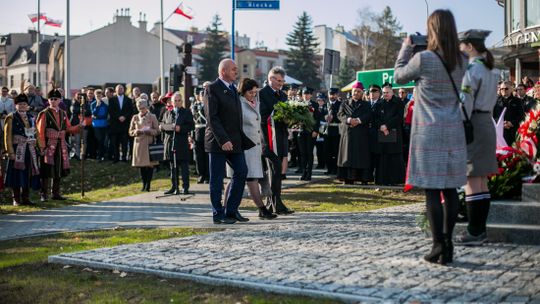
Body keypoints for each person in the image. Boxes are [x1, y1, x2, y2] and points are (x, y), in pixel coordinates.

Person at [394, 9, 467, 265]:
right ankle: (448, 244)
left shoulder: (424, 59)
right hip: (454, 130)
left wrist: (406, 47)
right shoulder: (462, 59)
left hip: (429, 132)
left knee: (433, 191)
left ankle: (437, 245)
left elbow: (398, 75)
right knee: (451, 188)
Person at [456, 29, 499, 246]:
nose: (460, 50)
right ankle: (480, 230)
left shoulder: (472, 69)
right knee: (481, 180)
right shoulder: (492, 69)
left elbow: (465, 103)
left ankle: (474, 231)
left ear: (470, 46)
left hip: (473, 123)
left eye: (461, 45)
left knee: (471, 178)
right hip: (487, 123)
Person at [205, 59, 255, 224]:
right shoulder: (212, 89)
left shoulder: (233, 89)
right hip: (218, 142)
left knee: (241, 171)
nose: (236, 72)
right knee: (217, 179)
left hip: (235, 141)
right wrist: (223, 139)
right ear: (223, 71)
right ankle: (217, 213)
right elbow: (212, 118)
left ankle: (231, 211)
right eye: (233, 69)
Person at [225, 78, 276, 219]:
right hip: (243, 146)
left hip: (255, 147)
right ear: (243, 91)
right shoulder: (239, 104)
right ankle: (261, 209)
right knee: (243, 178)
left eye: (255, 92)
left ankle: (260, 209)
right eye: (250, 92)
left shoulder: (256, 102)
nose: (253, 95)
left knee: (249, 177)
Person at [259, 67, 294, 214]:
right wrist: (277, 113)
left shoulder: (283, 96)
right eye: (278, 80)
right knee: (274, 170)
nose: (281, 84)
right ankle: (275, 203)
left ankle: (274, 202)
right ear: (270, 79)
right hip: (268, 138)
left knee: (277, 171)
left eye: (282, 81)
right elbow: (262, 114)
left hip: (280, 138)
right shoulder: (262, 94)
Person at [37, 88, 82, 202]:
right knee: (46, 170)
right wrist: (42, 146)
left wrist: (79, 126)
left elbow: (68, 128)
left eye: (55, 99)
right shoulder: (44, 113)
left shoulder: (63, 113)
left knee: (58, 168)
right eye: (51, 99)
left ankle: (55, 193)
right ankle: (43, 194)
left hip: (60, 144)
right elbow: (40, 131)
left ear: (59, 100)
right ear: (48, 100)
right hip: (48, 144)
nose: (53, 101)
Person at [4, 94, 40, 206]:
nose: (22, 106)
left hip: (29, 149)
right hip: (16, 149)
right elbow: (7, 136)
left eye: (24, 104)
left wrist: (36, 141)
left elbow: (35, 133)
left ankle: (25, 197)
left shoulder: (31, 117)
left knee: (27, 173)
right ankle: (16, 199)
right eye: (20, 104)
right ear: (16, 105)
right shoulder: (11, 117)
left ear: (27, 106)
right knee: (16, 174)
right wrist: (10, 152)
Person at [337, 81, 372, 184]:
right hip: (348, 135)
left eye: (358, 91)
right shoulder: (345, 103)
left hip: (361, 135)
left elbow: (369, 115)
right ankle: (347, 178)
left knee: (361, 158)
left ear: (362, 93)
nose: (356, 93)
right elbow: (340, 114)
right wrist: (348, 120)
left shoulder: (366, 104)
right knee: (347, 157)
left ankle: (363, 179)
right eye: (354, 91)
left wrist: (358, 120)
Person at [161, 92, 194, 195]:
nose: (177, 102)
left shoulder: (186, 112)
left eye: (179, 100)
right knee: (173, 167)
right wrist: (162, 127)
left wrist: (181, 128)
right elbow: (163, 123)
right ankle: (174, 186)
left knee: (184, 167)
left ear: (182, 101)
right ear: (172, 101)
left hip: (182, 143)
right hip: (171, 142)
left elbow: (191, 126)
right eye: (175, 100)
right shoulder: (167, 113)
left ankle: (185, 187)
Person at [373, 85, 405, 185]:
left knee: (394, 157)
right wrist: (382, 126)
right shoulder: (379, 103)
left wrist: (387, 126)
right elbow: (375, 118)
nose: (385, 94)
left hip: (394, 133)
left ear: (392, 93)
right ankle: (382, 180)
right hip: (382, 133)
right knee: (383, 157)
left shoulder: (399, 103)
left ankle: (395, 180)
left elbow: (399, 118)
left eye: (387, 92)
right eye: (384, 93)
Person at [129, 97, 160, 191]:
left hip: (149, 144)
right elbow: (130, 131)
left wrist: (150, 131)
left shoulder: (152, 116)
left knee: (149, 165)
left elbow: (157, 131)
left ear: (146, 107)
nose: (141, 110)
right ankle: (144, 184)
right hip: (139, 144)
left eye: (142, 108)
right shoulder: (135, 117)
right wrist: (136, 132)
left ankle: (148, 185)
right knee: (142, 166)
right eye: (139, 108)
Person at [297, 87, 321, 181]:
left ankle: (309, 173)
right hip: (301, 131)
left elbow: (318, 119)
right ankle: (304, 172)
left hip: (311, 132)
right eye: (304, 94)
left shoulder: (314, 104)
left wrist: (316, 130)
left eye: (307, 94)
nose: (305, 95)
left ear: (311, 95)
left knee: (309, 153)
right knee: (302, 153)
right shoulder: (298, 104)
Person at [493, 81, 524, 146]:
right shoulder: (495, 101)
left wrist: (512, 123)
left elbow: (521, 116)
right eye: (501, 89)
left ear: (511, 89)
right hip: (500, 133)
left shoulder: (518, 101)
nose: (503, 90)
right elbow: (492, 117)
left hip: (513, 132)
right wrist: (501, 123)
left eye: (506, 88)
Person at [108, 84, 134, 163]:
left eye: (121, 88)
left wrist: (124, 117)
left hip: (125, 124)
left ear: (124, 90)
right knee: (115, 142)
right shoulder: (112, 99)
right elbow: (111, 111)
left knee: (124, 142)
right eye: (118, 89)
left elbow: (130, 110)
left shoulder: (128, 100)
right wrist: (118, 117)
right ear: (116, 90)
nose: (120, 90)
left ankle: (124, 158)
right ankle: (116, 158)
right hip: (115, 124)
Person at [192, 85, 210, 184]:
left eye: (204, 95)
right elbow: (193, 121)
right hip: (197, 133)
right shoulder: (195, 106)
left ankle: (208, 175)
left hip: (207, 132)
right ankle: (201, 175)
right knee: (199, 156)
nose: (202, 97)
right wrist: (191, 135)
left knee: (207, 155)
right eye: (201, 95)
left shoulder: (209, 105)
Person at [324, 88, 342, 175]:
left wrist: (333, 118)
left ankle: (336, 169)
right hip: (327, 132)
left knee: (336, 151)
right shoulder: (326, 104)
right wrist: (324, 118)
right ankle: (329, 169)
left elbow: (342, 117)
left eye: (334, 94)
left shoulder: (340, 105)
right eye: (330, 94)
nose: (332, 96)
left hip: (337, 131)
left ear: (337, 95)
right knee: (327, 151)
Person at [367, 84, 383, 182]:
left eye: (375, 91)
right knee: (368, 157)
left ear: (379, 93)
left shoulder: (382, 103)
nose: (372, 93)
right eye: (371, 91)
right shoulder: (366, 103)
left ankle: (377, 178)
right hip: (367, 134)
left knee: (377, 157)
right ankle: (368, 177)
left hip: (377, 134)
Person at [91, 89, 109, 161]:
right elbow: (93, 113)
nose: (98, 97)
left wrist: (97, 117)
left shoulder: (105, 105)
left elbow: (105, 115)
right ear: (95, 96)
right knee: (99, 140)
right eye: (97, 96)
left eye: (100, 96)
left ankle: (102, 155)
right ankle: (99, 155)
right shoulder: (93, 104)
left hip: (104, 125)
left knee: (103, 140)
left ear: (102, 96)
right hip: (96, 125)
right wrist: (97, 106)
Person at [315, 93, 328, 170]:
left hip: (324, 130)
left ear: (324, 101)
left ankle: (324, 163)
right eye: (318, 100)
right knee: (318, 148)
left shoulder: (326, 108)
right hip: (317, 130)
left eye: (321, 100)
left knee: (324, 148)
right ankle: (320, 163)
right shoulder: (315, 108)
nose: (320, 101)